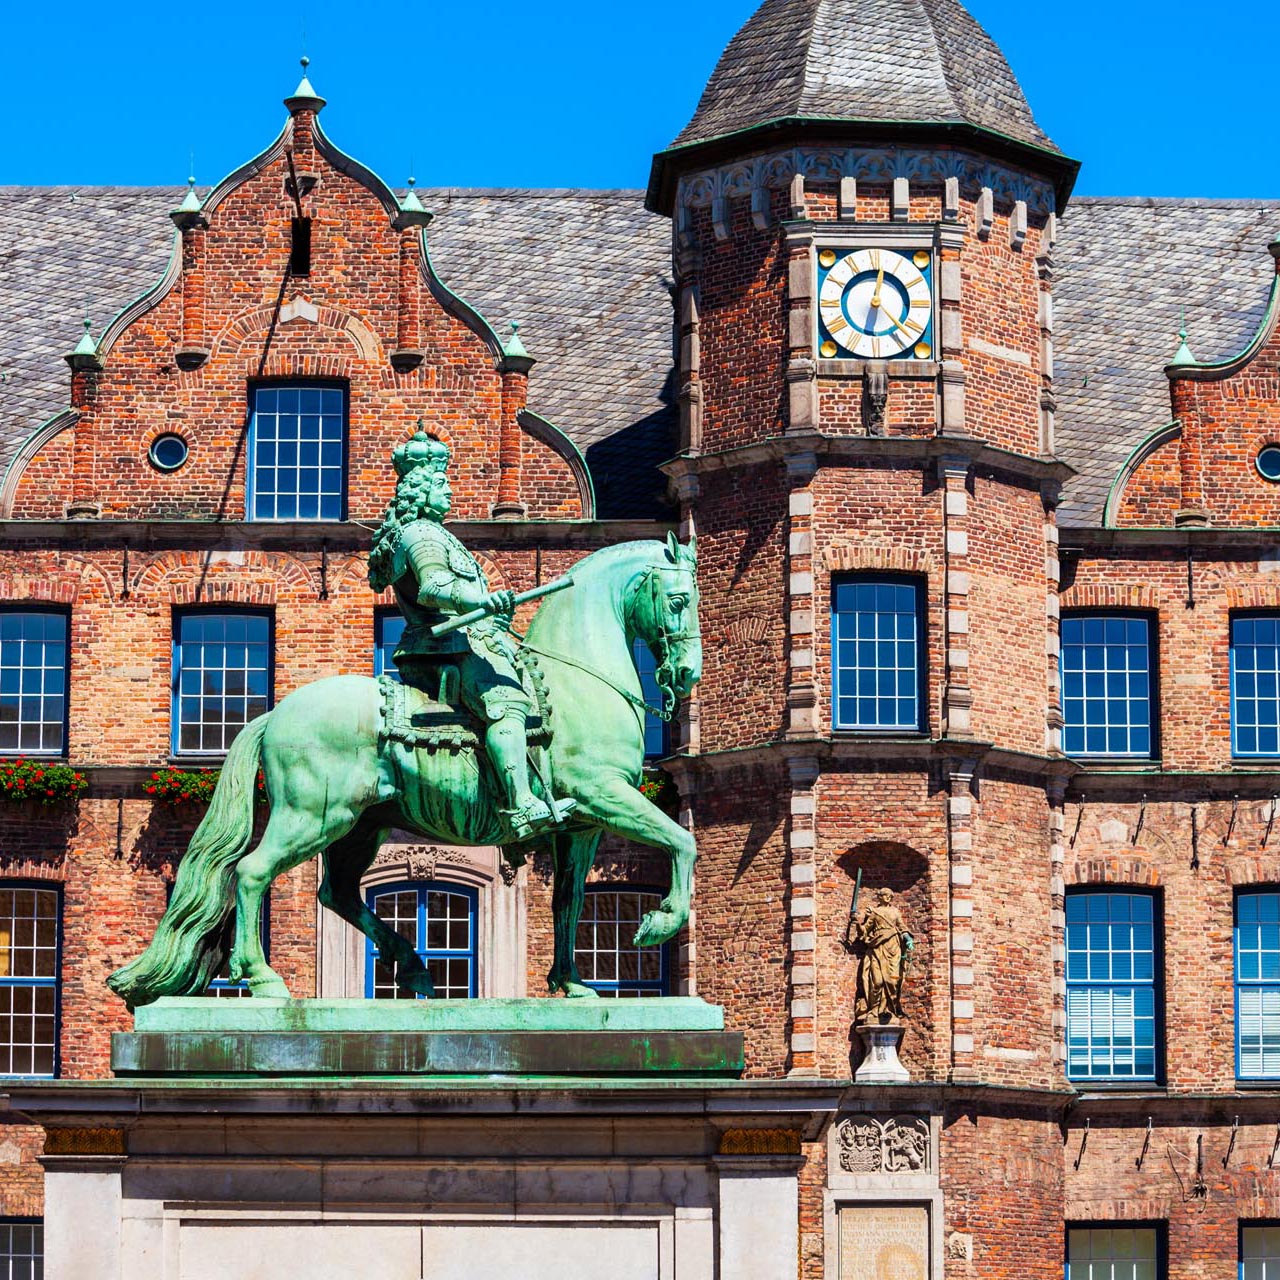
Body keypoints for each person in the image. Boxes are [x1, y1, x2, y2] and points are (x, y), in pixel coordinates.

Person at [368, 428, 572, 843]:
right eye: (442, 483)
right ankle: (519, 805)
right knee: (507, 704)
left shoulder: (434, 533)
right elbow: (434, 587)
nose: (449, 491)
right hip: (445, 647)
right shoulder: (421, 534)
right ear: (422, 489)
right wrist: (483, 598)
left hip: (459, 643)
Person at [849, 887, 914, 1024]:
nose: (888, 897)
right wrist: (856, 923)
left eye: (890, 895)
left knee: (892, 981)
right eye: (885, 895)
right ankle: (874, 1010)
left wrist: (908, 939)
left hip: (893, 947)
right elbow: (865, 931)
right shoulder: (874, 912)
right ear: (879, 896)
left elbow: (902, 927)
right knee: (877, 981)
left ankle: (889, 1010)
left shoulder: (895, 912)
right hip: (877, 948)